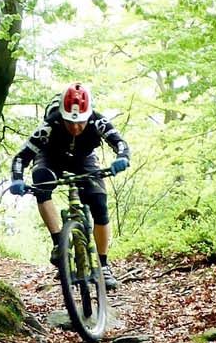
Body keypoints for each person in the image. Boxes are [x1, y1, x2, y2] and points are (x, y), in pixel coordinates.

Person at [9, 83, 130, 278]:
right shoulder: (50, 124)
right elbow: (21, 157)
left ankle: (103, 264)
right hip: (50, 157)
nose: (75, 127)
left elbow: (120, 143)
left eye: (80, 122)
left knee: (99, 203)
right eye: (69, 122)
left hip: (84, 159)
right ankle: (59, 243)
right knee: (41, 180)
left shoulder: (97, 121)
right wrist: (16, 179)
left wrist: (122, 158)